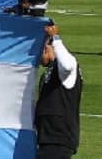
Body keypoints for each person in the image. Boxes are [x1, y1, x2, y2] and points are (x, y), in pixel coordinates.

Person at [35, 23, 82, 159]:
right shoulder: (51, 71)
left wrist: (55, 38)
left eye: (44, 49)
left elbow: (67, 65)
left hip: (58, 138)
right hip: (48, 137)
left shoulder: (68, 66)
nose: (41, 55)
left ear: (52, 48)